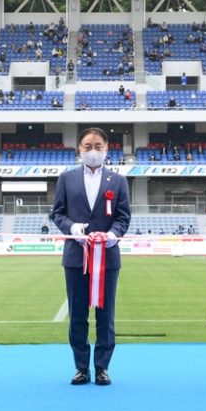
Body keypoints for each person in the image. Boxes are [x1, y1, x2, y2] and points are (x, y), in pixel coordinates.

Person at [50, 127, 131, 386]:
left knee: (106, 316)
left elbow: (123, 216)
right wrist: (72, 228)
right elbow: (57, 213)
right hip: (76, 257)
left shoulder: (118, 181)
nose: (93, 151)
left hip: (108, 257)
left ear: (107, 149)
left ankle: (102, 367)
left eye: (98, 146)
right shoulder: (67, 178)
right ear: (79, 149)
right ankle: (81, 367)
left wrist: (114, 234)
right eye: (87, 146)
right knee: (77, 315)